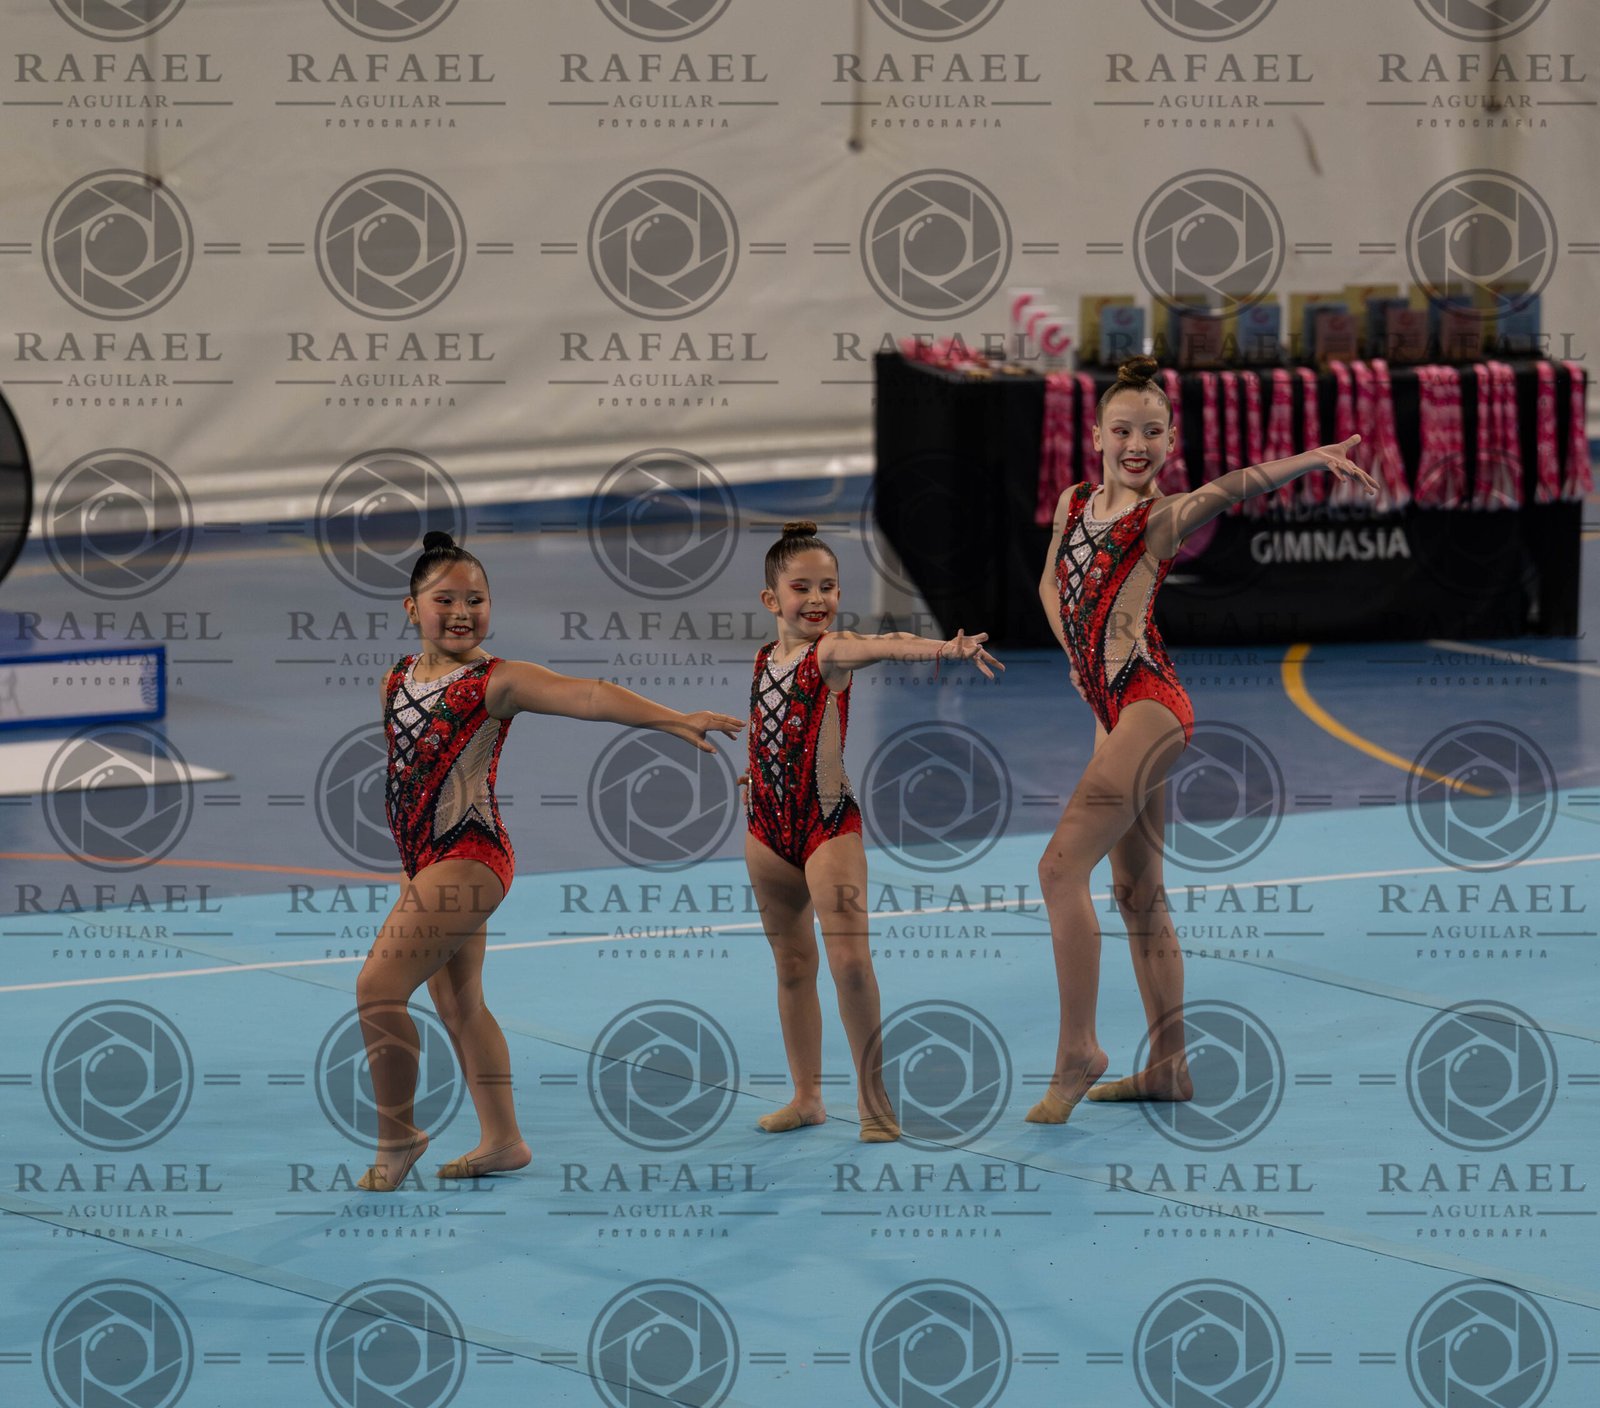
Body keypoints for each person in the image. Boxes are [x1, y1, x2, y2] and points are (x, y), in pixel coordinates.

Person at [1026, 355, 1376, 1125]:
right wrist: (1079, 660)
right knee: (1136, 893)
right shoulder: (1073, 502)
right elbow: (1053, 584)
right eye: (1123, 430)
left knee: (1059, 870)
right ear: (1096, 436)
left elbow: (1232, 487)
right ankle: (1170, 1067)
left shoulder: (1158, 519)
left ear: (1171, 441)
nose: (1137, 444)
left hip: (1149, 706)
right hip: (1110, 709)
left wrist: (1310, 459)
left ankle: (1078, 1050)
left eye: (1153, 432)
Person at [356, 530, 743, 1190]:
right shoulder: (396, 679)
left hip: (470, 855)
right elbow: (408, 776)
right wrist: (411, 866)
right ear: (411, 607)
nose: (462, 612)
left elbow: (586, 694)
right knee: (459, 1002)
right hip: (424, 857)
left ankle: (399, 1137)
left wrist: (671, 718)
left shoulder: (496, 681)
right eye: (445, 600)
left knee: (377, 988)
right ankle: (504, 1141)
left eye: (476, 600)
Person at [744, 521, 1002, 1141]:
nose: (817, 599)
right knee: (792, 965)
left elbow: (886, 643)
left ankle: (873, 1100)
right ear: (771, 599)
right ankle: (807, 1097)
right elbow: (774, 728)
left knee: (850, 963)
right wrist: (756, 773)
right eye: (801, 587)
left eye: (828, 587)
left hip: (827, 826)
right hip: (765, 829)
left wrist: (942, 650)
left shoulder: (830, 652)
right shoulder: (764, 658)